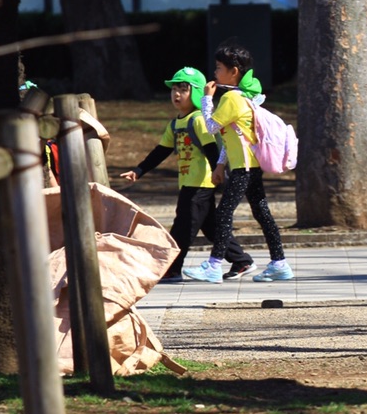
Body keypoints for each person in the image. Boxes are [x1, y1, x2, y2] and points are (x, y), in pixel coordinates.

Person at [120, 66, 252, 281]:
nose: (177, 94)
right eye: (174, 89)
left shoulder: (199, 120)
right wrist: (139, 170)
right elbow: (161, 151)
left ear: (198, 93)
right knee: (210, 227)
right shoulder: (175, 123)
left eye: (183, 89)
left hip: (201, 183)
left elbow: (213, 150)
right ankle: (241, 261)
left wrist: (219, 175)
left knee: (184, 226)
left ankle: (172, 268)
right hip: (189, 182)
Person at [187, 44, 295, 283]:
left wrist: (206, 99)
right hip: (247, 166)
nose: (215, 72)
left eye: (218, 68)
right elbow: (231, 137)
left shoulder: (233, 99)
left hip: (244, 169)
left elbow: (212, 126)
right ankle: (280, 263)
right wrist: (220, 164)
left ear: (233, 71)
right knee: (261, 213)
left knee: (224, 213)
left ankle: (214, 266)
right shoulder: (240, 98)